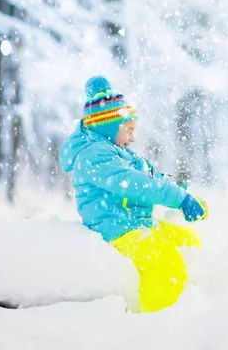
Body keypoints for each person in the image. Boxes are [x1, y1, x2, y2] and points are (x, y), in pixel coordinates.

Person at [59, 76, 208, 313]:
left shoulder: (119, 152)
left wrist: (183, 193)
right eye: (128, 129)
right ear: (108, 126)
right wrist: (178, 199)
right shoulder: (94, 156)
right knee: (165, 264)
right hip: (114, 228)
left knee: (187, 242)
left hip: (135, 224)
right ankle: (158, 323)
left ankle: (198, 308)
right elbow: (137, 184)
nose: (132, 137)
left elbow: (151, 176)